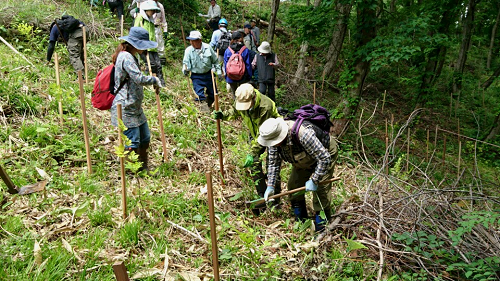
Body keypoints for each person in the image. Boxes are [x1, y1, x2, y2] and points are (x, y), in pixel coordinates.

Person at [257, 118, 338, 232]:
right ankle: (301, 221)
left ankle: (321, 228)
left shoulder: (303, 134)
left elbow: (324, 158)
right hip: (302, 158)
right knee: (294, 186)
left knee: (321, 190)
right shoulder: (273, 141)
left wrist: (314, 180)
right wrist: (270, 185)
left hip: (324, 153)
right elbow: (273, 163)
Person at [212, 84, 281, 209]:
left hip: (272, 134)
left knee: (272, 165)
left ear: (253, 97)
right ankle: (262, 196)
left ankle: (275, 199)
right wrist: (223, 115)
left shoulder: (265, 106)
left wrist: (252, 152)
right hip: (255, 134)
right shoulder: (241, 98)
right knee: (254, 164)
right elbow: (235, 111)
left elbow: (263, 134)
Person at [110, 27, 162, 172]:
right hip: (125, 106)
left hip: (135, 107)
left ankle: (143, 167)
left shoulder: (131, 56)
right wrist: (154, 79)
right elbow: (139, 78)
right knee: (132, 141)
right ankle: (132, 171)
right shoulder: (126, 57)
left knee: (145, 137)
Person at [182, 30, 221, 111]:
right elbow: (186, 63)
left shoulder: (208, 48)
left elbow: (215, 61)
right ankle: (205, 112)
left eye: (194, 41)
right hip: (196, 76)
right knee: (199, 95)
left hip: (208, 74)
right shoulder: (188, 51)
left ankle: (209, 105)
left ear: (200, 40)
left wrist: (219, 72)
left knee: (213, 94)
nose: (192, 43)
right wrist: (185, 70)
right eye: (190, 40)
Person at [134, 0, 165, 87]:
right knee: (151, 65)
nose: (153, 12)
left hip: (152, 46)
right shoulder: (140, 18)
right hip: (144, 46)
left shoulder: (151, 20)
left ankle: (162, 84)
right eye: (152, 10)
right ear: (146, 10)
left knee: (158, 65)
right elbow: (135, 31)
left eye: (154, 10)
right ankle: (150, 83)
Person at [224, 31, 253, 99]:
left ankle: (235, 106)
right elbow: (248, 64)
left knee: (234, 94)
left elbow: (225, 65)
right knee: (242, 94)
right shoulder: (245, 50)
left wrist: (227, 76)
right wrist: (249, 76)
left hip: (231, 76)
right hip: (242, 77)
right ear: (240, 38)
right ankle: (242, 108)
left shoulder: (228, 50)